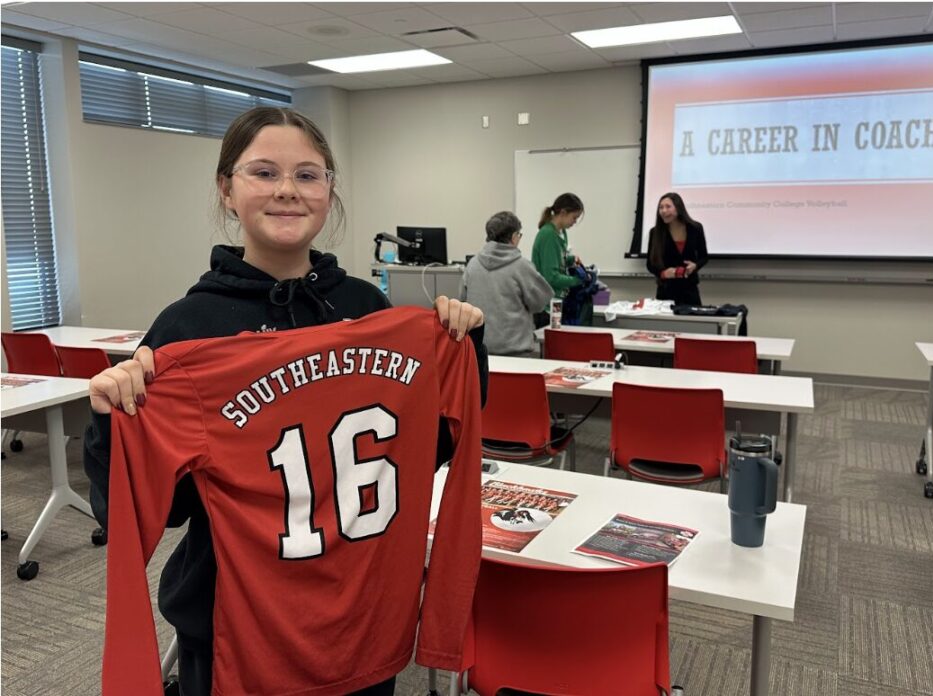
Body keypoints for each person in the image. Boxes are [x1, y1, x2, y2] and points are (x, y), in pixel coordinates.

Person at [83, 106, 486, 696]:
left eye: (307, 174)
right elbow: (147, 510)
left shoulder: (369, 310)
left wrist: (463, 349)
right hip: (233, 632)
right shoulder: (187, 328)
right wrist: (111, 420)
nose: (287, 192)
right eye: (264, 172)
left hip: (365, 624)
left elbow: (423, 452)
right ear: (227, 189)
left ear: (329, 190)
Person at [460, 211, 552, 356]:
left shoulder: (472, 265)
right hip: (517, 354)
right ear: (514, 236)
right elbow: (540, 303)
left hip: (478, 353)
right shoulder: (522, 266)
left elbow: (463, 301)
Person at [530, 192, 585, 327]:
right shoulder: (549, 235)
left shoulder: (561, 232)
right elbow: (551, 277)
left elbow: (556, 260)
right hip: (547, 305)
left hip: (556, 301)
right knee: (552, 344)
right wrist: (578, 281)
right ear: (563, 212)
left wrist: (570, 260)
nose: (575, 222)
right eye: (574, 217)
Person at [645, 192, 708, 306]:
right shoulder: (655, 232)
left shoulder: (695, 228)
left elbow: (704, 257)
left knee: (693, 322)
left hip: (690, 290)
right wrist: (664, 273)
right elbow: (650, 264)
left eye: (668, 207)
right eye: (661, 207)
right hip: (665, 291)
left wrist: (695, 266)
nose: (664, 211)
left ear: (678, 208)